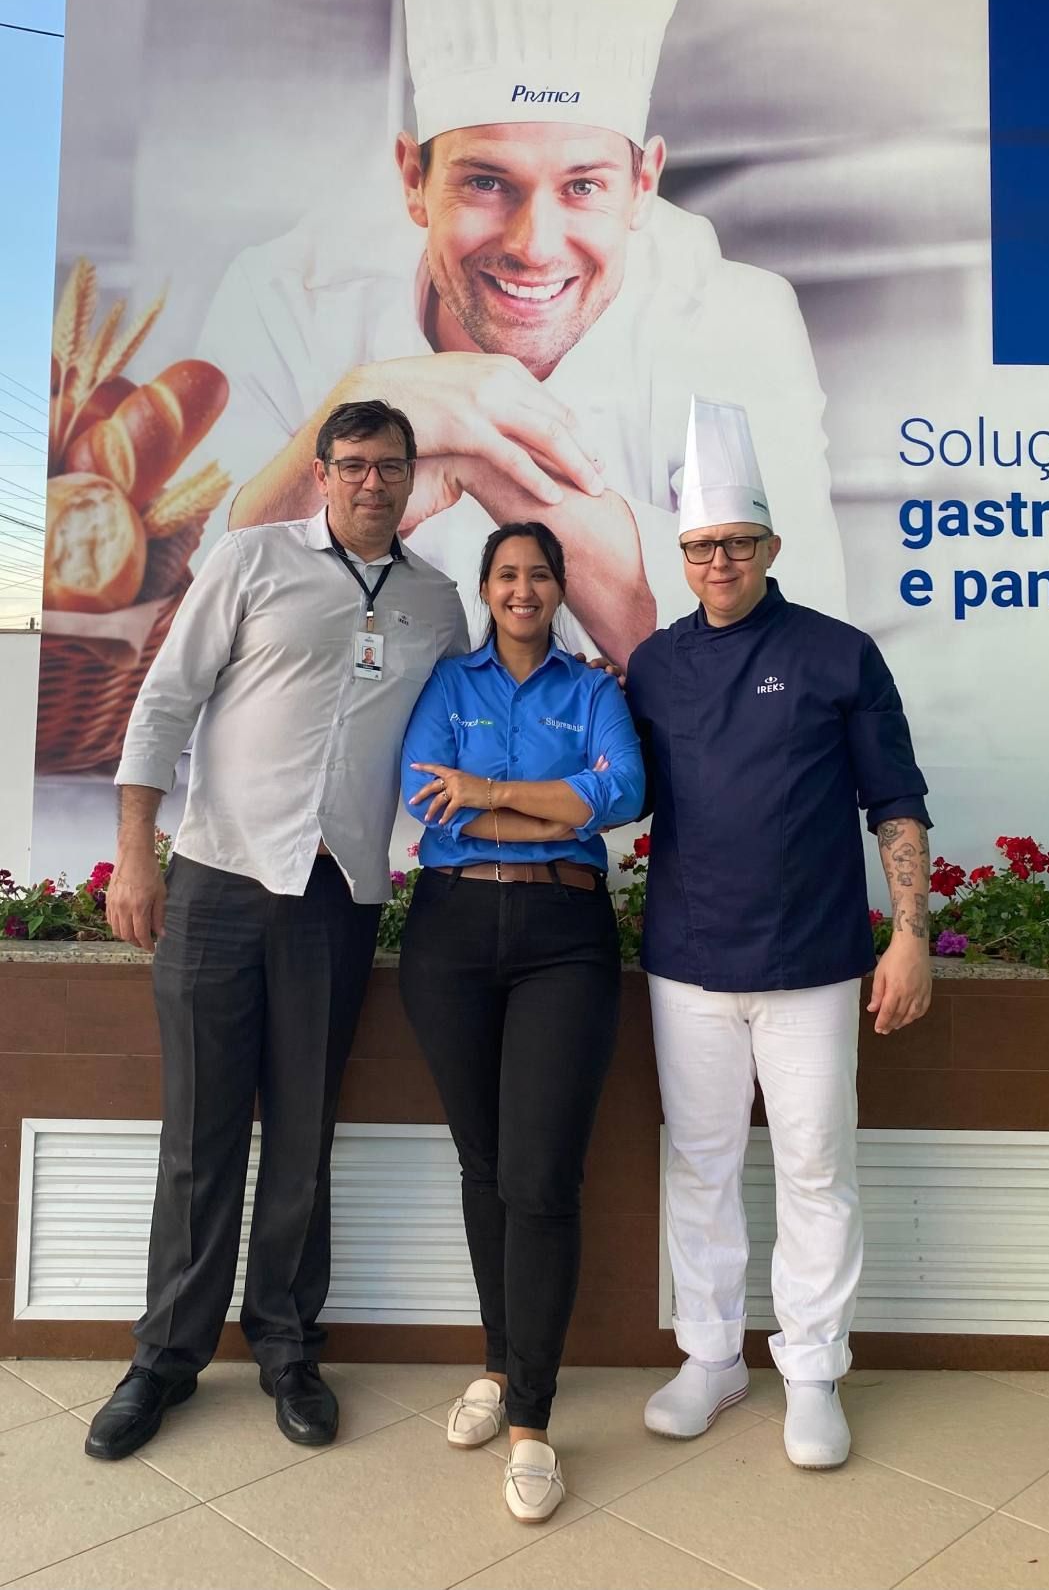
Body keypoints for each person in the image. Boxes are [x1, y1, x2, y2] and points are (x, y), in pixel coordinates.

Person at [199, 0, 847, 666]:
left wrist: (485, 452)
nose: (535, 244)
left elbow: (792, 664)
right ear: (412, 180)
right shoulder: (287, 299)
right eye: (485, 182)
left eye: (584, 186)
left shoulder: (732, 318)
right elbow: (193, 631)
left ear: (643, 187)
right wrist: (354, 409)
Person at [86, 399, 469, 1462]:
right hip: (216, 883)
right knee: (199, 1136)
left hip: (336, 897)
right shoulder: (251, 561)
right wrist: (135, 850)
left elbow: (462, 731)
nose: (371, 483)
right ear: (320, 472)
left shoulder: (439, 605)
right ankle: (163, 1359)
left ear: (411, 475)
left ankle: (289, 1349)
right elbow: (164, 702)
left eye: (390, 466)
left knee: (303, 1138)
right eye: (352, 465)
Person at [626, 399, 933, 1470]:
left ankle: (810, 1371)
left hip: (810, 964)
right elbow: (609, 789)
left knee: (812, 1163)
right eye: (701, 545)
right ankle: (709, 1357)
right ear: (681, 551)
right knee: (700, 1164)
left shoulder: (838, 655)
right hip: (686, 960)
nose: (718, 561)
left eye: (736, 543)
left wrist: (908, 935)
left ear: (769, 546)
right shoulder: (652, 666)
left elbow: (893, 801)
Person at [397, 520, 644, 1522]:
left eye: (538, 575)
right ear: (486, 587)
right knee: (485, 1165)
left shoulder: (592, 691)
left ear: (557, 587)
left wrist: (491, 793)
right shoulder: (447, 686)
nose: (521, 590)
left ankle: (533, 1421)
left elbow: (620, 791)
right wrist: (553, 803)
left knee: (541, 1176)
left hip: (561, 933)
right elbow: (426, 802)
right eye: (505, 574)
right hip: (450, 935)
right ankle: (499, 1366)